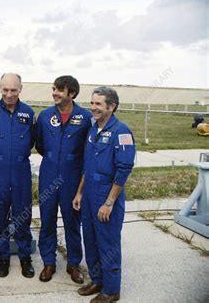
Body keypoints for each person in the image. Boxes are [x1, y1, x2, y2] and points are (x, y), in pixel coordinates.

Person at [73, 86, 135, 303]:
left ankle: (111, 290)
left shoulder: (122, 132)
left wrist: (109, 202)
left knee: (108, 242)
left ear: (112, 106)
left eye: (98, 104)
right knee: (89, 239)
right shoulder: (93, 129)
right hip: (89, 192)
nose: (93, 108)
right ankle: (97, 280)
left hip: (106, 195)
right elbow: (87, 166)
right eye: (92, 103)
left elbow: (124, 170)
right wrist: (80, 193)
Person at [35, 75, 92, 284]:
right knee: (47, 220)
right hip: (49, 174)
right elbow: (40, 145)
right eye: (53, 89)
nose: (55, 93)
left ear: (72, 94)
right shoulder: (44, 116)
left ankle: (73, 263)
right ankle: (48, 262)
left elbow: (88, 150)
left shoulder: (85, 118)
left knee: (72, 221)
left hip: (72, 177)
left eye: (60, 90)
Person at [0, 73, 35, 278]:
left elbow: (32, 141)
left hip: (20, 170)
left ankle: (25, 257)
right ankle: (3, 257)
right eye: (5, 90)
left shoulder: (28, 113)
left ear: (20, 88)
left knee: (22, 214)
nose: (9, 94)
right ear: (0, 88)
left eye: (13, 90)